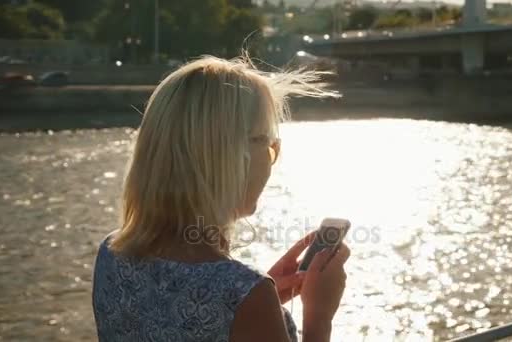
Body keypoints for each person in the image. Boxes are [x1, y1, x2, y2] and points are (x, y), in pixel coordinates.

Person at [91, 55, 350, 342]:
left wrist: (260, 296)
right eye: (268, 144)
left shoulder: (111, 253)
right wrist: (318, 315)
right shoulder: (247, 297)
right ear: (229, 157)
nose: (272, 157)